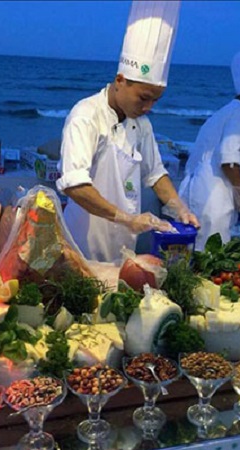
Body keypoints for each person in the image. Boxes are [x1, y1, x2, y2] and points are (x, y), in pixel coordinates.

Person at [56, 0, 198, 263]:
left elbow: (156, 175)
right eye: (143, 98)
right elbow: (75, 185)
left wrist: (179, 208)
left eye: (156, 100)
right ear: (120, 80)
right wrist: (126, 218)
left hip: (123, 249)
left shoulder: (141, 124)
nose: (148, 107)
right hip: (81, 248)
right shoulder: (85, 116)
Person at [179, 45, 240, 249]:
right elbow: (229, 158)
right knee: (210, 256)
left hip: (198, 193)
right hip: (213, 200)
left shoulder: (226, 111)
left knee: (194, 253)